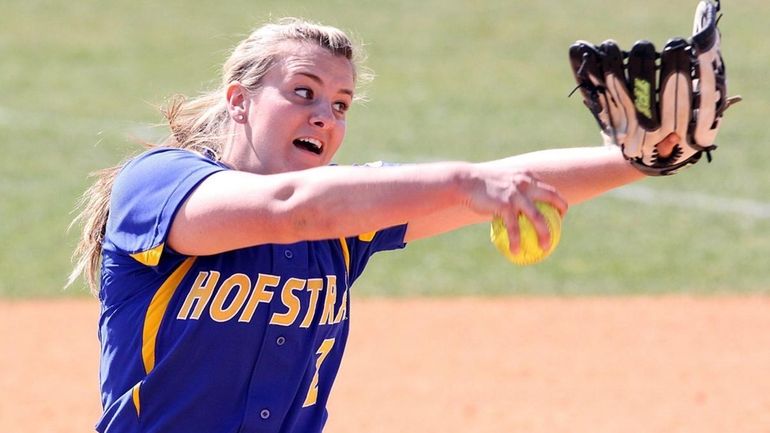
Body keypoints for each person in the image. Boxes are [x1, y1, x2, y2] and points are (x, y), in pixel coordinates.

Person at [68, 17, 678, 433]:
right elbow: (289, 208)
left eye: (339, 104)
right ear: (239, 100)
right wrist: (463, 181)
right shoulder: (157, 186)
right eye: (303, 92)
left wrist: (639, 158)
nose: (324, 116)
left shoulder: (343, 214)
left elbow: (507, 179)